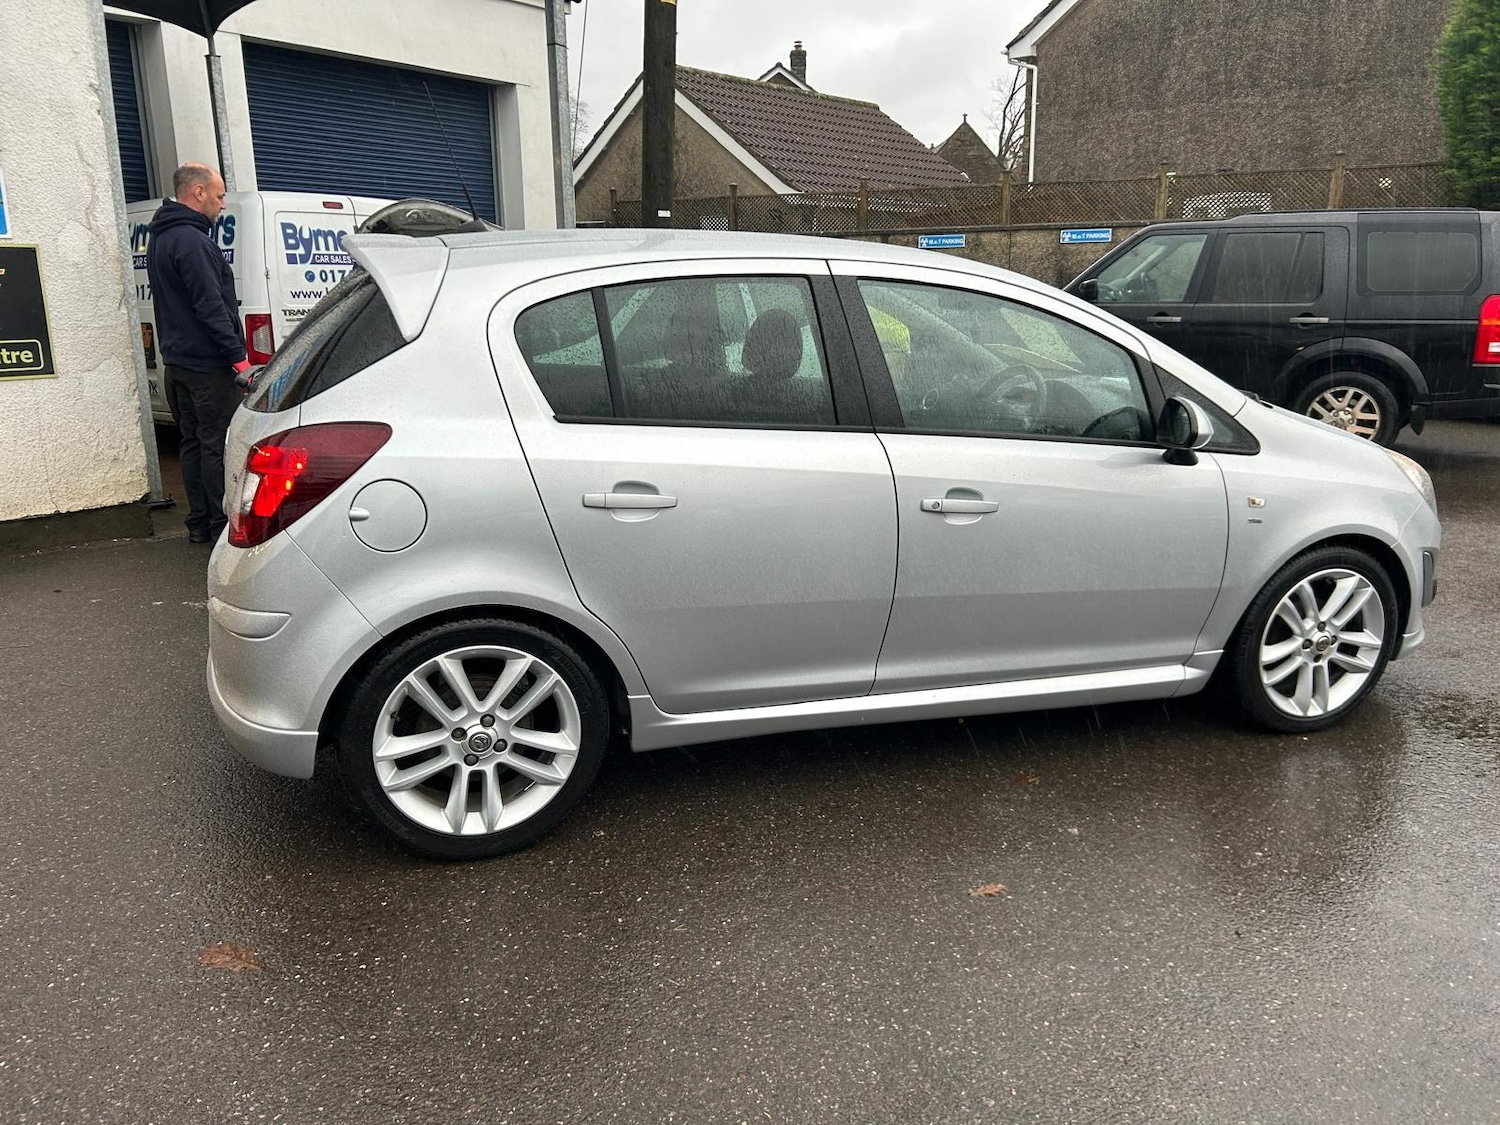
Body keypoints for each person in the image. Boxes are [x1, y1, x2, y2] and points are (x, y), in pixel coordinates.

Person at [146, 163, 250, 544]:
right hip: (208, 365)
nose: (223, 204)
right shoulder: (192, 242)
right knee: (217, 444)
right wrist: (239, 360)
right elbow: (211, 307)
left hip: (178, 361)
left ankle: (200, 524)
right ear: (199, 193)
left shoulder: (161, 237)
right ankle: (222, 529)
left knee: (191, 442)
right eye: (220, 195)